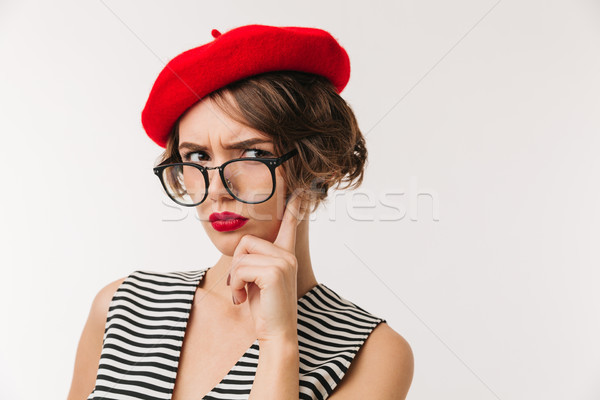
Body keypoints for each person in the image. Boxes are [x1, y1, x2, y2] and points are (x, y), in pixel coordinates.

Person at [67, 24, 414, 400]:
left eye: (252, 154)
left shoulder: (371, 353)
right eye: (197, 157)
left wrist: (278, 343)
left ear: (316, 165)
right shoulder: (123, 306)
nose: (216, 188)